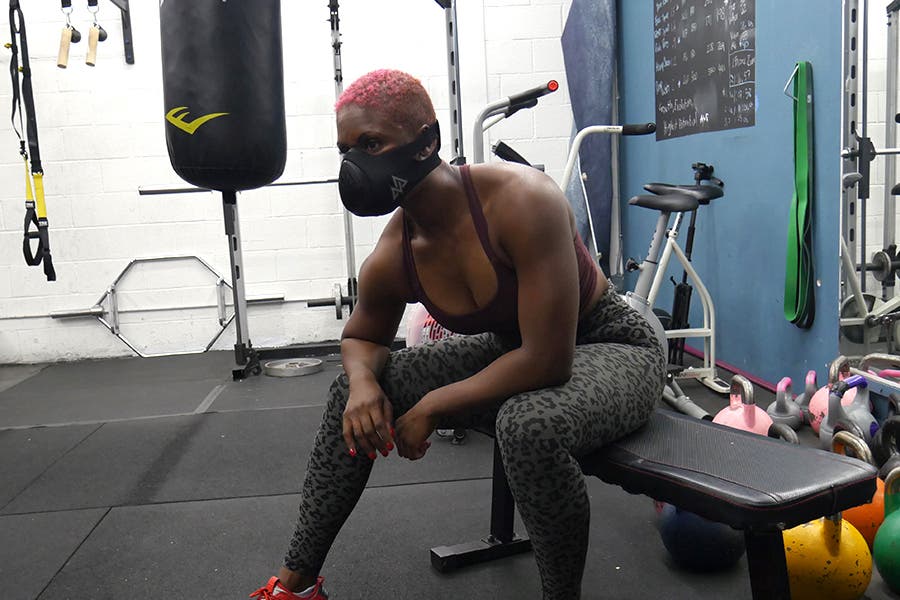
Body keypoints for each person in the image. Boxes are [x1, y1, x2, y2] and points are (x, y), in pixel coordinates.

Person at [249, 69, 666, 600]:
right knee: (351, 394)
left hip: (611, 346)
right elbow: (362, 339)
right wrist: (361, 384)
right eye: (346, 149)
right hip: (513, 350)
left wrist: (433, 406)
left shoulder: (521, 201)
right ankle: (296, 585)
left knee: (528, 424)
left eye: (372, 144)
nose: (355, 165)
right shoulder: (396, 250)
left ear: (427, 142)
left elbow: (547, 361)